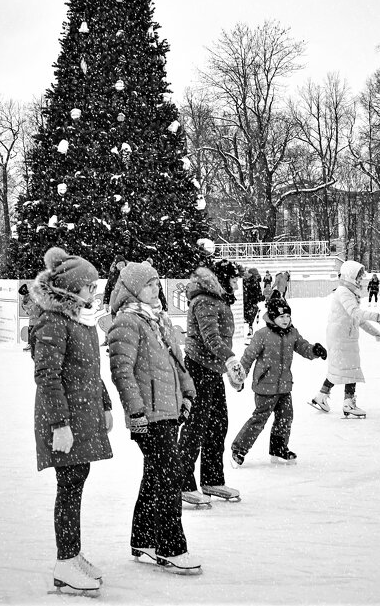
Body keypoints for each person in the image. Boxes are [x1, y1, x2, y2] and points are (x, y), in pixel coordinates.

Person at [108, 262, 201, 575]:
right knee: (169, 477)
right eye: (148, 284)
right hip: (148, 415)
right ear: (133, 288)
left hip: (167, 410)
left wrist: (187, 394)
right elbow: (122, 371)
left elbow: (177, 363)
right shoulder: (127, 321)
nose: (155, 289)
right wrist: (136, 413)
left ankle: (143, 538)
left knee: (156, 476)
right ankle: (170, 546)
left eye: (156, 283)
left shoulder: (158, 318)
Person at [30, 247, 113, 594]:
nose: (94, 292)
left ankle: (73, 553)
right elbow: (47, 376)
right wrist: (59, 425)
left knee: (77, 478)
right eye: (89, 286)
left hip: (82, 412)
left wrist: (105, 403)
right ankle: (65, 563)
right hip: (65, 417)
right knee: (69, 484)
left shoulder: (78, 319)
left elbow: (90, 370)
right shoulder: (54, 320)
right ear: (72, 287)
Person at [178, 260, 246, 506]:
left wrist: (226, 367)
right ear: (221, 279)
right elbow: (211, 337)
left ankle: (212, 479)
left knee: (218, 424)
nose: (237, 283)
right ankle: (182, 481)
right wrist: (229, 359)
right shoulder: (205, 300)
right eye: (234, 279)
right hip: (198, 369)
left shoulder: (217, 299)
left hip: (212, 369)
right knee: (195, 426)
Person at [231, 292, 327, 466]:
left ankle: (278, 448)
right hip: (264, 386)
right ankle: (238, 449)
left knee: (285, 417)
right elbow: (248, 357)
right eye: (281, 316)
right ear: (273, 317)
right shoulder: (262, 335)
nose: (285, 320)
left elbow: (303, 347)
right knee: (259, 419)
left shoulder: (292, 333)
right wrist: (239, 377)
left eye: (288, 316)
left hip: (284, 386)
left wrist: (315, 351)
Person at [311, 261, 380, 418]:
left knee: (340, 369)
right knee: (350, 369)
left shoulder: (349, 292)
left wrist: (375, 333)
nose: (360, 279)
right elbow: (356, 313)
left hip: (344, 335)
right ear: (350, 276)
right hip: (341, 336)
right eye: (358, 276)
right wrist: (377, 316)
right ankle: (348, 402)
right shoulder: (344, 291)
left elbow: (357, 319)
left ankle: (321, 396)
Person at [19, 283, 43, 356]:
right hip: (33, 319)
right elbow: (29, 311)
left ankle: (34, 344)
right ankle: (31, 344)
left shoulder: (32, 298)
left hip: (37, 318)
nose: (21, 297)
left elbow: (35, 309)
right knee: (31, 330)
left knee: (35, 331)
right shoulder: (25, 302)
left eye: (22, 295)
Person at [242, 267, 264, 337]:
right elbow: (258, 292)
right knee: (251, 318)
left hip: (247, 302)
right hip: (251, 302)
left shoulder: (245, 281)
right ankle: (250, 329)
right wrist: (259, 298)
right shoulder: (254, 282)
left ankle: (250, 330)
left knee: (249, 317)